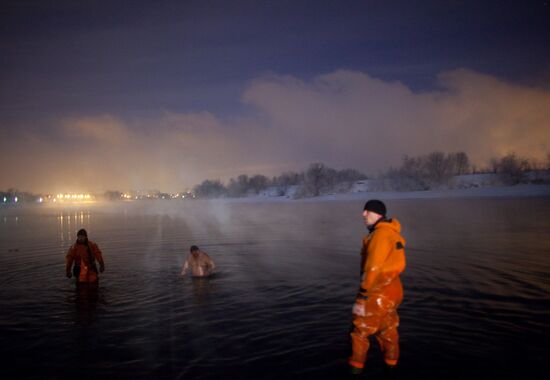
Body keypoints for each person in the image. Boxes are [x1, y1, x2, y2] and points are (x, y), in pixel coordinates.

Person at [348, 200, 406, 375]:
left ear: (378, 214)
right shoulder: (392, 233)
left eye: (367, 211)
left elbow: (373, 267)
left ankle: (355, 369)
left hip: (376, 291)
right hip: (393, 290)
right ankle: (391, 364)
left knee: (360, 331)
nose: (363, 214)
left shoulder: (379, 235)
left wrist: (364, 292)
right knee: (387, 329)